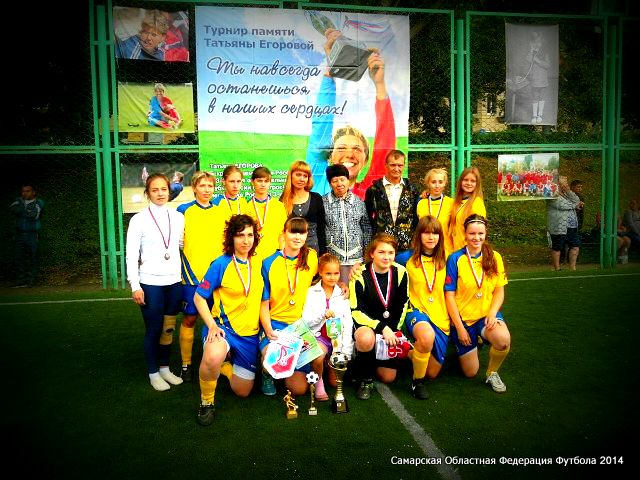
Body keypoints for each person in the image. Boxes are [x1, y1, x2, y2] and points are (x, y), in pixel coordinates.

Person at [306, 28, 395, 199]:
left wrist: (380, 84)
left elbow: (385, 147)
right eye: (341, 148)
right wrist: (331, 67)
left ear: (365, 159)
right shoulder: (317, 181)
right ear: (330, 156)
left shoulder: (370, 191)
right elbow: (320, 128)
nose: (349, 154)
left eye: (357, 149)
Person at [193, 214, 263, 426]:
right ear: (231, 237)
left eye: (250, 235)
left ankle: (225, 366)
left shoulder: (260, 263)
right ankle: (207, 402)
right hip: (223, 329)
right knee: (213, 356)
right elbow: (199, 297)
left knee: (242, 391)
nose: (245, 240)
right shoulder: (220, 264)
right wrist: (211, 325)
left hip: (249, 335)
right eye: (240, 235)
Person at [126, 173, 185, 391]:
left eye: (163, 189)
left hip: (174, 281)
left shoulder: (178, 217)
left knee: (168, 328)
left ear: (169, 191)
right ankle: (153, 373)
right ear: (147, 193)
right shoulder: (138, 219)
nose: (160, 193)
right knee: (153, 329)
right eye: (155, 190)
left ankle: (164, 368)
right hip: (150, 283)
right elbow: (131, 254)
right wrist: (135, 285)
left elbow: (180, 245)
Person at [444, 214, 511, 393]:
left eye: (480, 233)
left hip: (486, 316)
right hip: (464, 321)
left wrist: (492, 313)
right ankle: (469, 340)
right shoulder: (455, 259)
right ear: (465, 234)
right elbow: (449, 296)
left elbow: (499, 291)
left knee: (503, 340)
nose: (476, 237)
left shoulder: (494, 257)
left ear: (486, 233)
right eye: (472, 233)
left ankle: (492, 372)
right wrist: (460, 328)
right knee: (470, 372)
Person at [259, 217, 319, 397]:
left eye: (302, 232)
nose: (297, 237)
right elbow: (263, 303)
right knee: (271, 356)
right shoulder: (268, 263)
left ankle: (287, 367)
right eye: (293, 232)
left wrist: (343, 283)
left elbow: (325, 275)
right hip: (275, 324)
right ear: (284, 234)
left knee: (298, 389)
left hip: (299, 326)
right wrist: (268, 329)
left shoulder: (311, 258)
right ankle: (266, 373)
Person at [395, 216, 450, 400]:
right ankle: (417, 383)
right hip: (415, 311)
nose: (431, 237)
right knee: (426, 337)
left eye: (435, 233)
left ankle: (409, 349)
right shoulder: (405, 258)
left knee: (432, 372)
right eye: (426, 233)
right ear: (418, 235)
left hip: (440, 315)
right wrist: (357, 268)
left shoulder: (447, 259)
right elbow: (381, 263)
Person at [350, 233, 409, 400]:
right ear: (372, 254)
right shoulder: (359, 274)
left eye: (391, 253)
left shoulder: (401, 272)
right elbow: (356, 311)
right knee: (365, 338)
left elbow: (404, 303)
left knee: (387, 377)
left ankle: (370, 359)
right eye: (381, 252)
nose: (386, 257)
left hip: (390, 328)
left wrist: (394, 330)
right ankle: (365, 380)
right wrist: (382, 328)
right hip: (367, 326)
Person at [175, 171, 221, 382]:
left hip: (215, 277)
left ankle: (218, 359)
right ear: (194, 188)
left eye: (210, 186)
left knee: (217, 319)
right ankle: (186, 364)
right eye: (202, 185)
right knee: (190, 318)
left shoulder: (220, 211)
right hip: (191, 276)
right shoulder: (183, 210)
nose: (206, 190)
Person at [301, 253, 354, 401]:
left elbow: (348, 323)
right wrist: (322, 315)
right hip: (319, 338)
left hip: (336, 341)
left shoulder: (342, 293)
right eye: (328, 273)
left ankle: (328, 364)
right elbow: (306, 321)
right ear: (320, 272)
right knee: (318, 356)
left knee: (334, 383)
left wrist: (346, 351)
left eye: (336, 273)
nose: (332, 277)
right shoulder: (311, 292)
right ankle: (319, 383)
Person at [322, 164, 372, 284]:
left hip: (357, 260)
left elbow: (366, 228)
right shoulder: (323, 202)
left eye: (342, 179)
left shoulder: (359, 202)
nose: (339, 184)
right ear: (330, 184)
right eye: (335, 181)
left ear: (348, 181)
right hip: (333, 260)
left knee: (355, 291)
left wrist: (366, 255)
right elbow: (320, 229)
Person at [364, 150, 421, 252]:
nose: (396, 169)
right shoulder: (374, 190)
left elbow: (416, 217)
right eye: (393, 165)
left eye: (400, 165)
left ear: (404, 166)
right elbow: (367, 217)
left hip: (406, 247)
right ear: (386, 165)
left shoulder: (412, 190)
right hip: (382, 245)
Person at [280, 161, 326, 254]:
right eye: (298, 175)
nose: (301, 179)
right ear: (291, 176)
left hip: (314, 252)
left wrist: (323, 253)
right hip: (291, 253)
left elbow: (321, 229)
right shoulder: (283, 200)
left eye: (305, 176)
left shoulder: (316, 198)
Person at [246, 166, 288, 259]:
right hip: (252, 255)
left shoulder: (279, 206)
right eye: (259, 181)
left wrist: (281, 253)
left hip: (274, 255)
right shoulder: (245, 206)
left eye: (266, 181)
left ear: (270, 182)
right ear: (252, 182)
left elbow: (284, 233)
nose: (263, 184)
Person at [9, 183, 44, 287]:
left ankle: (31, 280)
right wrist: (26, 209)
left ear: (33, 192)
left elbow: (33, 215)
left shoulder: (39, 202)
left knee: (32, 257)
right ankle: (21, 280)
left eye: (27, 191)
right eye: (23, 191)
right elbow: (13, 210)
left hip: (32, 234)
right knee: (19, 257)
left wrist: (22, 208)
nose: (24, 193)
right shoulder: (18, 200)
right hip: (19, 235)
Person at [212, 165, 249, 257]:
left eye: (238, 181)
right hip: (222, 252)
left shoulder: (244, 202)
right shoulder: (215, 203)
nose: (235, 185)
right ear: (223, 181)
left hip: (241, 250)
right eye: (232, 181)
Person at [547, 176, 582, 271]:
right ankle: (557, 268)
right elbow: (562, 205)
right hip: (558, 226)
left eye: (566, 183)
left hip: (572, 226)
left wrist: (568, 191)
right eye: (564, 183)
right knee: (557, 247)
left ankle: (572, 268)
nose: (566, 185)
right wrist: (576, 205)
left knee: (575, 246)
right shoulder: (551, 193)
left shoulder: (568, 194)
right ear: (558, 184)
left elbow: (577, 200)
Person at [416, 168, 454, 254]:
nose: (437, 185)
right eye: (433, 182)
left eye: (440, 182)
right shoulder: (421, 203)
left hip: (446, 250)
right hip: (425, 250)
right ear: (428, 183)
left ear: (445, 183)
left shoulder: (451, 203)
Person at [449, 166, 486, 252]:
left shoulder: (477, 203)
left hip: (468, 251)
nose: (469, 183)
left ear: (477, 184)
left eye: (473, 181)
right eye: (466, 180)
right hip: (454, 250)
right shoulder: (456, 202)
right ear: (461, 181)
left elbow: (478, 233)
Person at [526, 31, 551, 124]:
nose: (537, 44)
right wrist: (531, 50)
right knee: (535, 96)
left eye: (539, 42)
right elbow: (528, 60)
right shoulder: (532, 53)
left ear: (542, 43)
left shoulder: (545, 53)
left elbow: (548, 65)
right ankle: (534, 115)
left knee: (541, 96)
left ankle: (540, 115)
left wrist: (537, 60)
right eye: (535, 42)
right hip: (535, 78)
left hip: (542, 78)